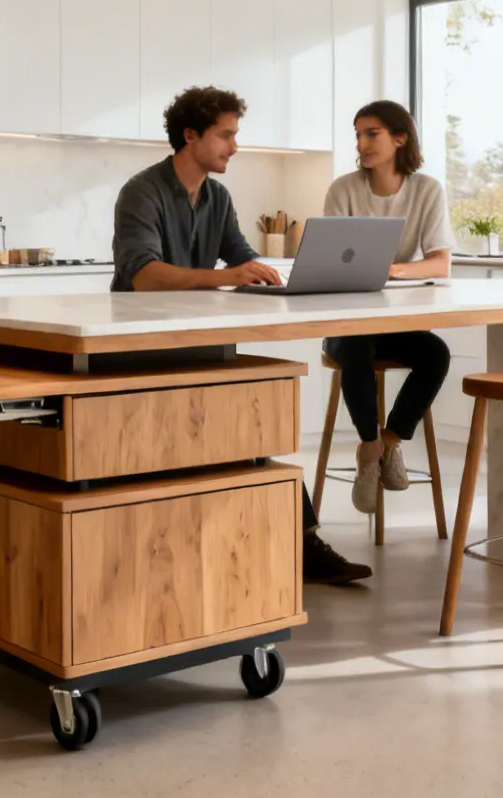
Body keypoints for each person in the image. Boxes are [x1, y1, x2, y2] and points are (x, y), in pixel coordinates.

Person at [112, 85, 373, 585]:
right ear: (190, 136)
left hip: (199, 340)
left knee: (251, 432)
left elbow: (239, 256)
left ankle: (299, 543)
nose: (234, 146)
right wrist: (226, 276)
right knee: (229, 437)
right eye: (226, 135)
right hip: (139, 347)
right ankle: (279, 546)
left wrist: (272, 274)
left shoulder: (216, 196)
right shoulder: (141, 192)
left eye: (235, 135)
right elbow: (144, 276)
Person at [321, 100, 455, 515]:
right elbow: (328, 261)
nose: (362, 142)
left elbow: (440, 262)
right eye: (358, 134)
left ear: (400, 138)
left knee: (436, 353)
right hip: (347, 323)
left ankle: (389, 443)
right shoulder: (343, 189)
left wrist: (393, 268)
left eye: (372, 133)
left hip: (394, 321)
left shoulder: (426, 190)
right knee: (357, 345)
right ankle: (369, 447)